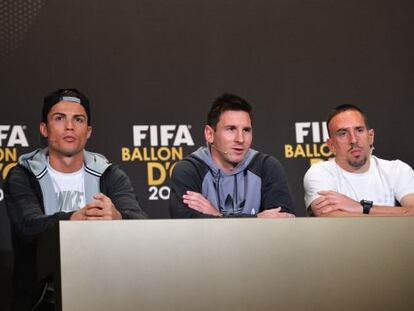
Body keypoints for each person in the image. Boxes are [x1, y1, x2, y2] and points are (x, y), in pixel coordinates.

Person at [4, 89, 147, 310]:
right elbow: (27, 225)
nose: (69, 126)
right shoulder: (22, 175)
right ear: (44, 128)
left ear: (88, 131)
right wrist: (73, 220)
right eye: (59, 118)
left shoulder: (110, 173)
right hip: (41, 301)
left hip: (104, 294)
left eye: (78, 119)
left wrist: (119, 217)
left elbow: (141, 223)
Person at [169, 93, 295, 218]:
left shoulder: (267, 166)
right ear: (209, 134)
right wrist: (258, 219)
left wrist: (217, 215)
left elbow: (284, 222)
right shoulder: (189, 170)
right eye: (231, 129)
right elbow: (186, 227)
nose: (240, 139)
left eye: (246, 130)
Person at [304, 104, 414, 216]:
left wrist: (361, 207)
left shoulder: (398, 170)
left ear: (370, 136)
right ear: (331, 145)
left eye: (359, 130)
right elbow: (332, 219)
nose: (353, 140)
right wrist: (397, 213)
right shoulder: (319, 173)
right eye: (343, 133)